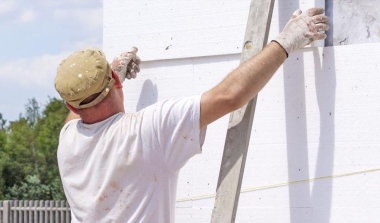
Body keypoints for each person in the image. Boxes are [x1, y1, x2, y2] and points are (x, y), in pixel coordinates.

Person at [55, 8, 329, 223]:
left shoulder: (68, 142)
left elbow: (76, 115)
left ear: (72, 106)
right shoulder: (146, 131)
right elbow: (229, 96)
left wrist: (114, 76)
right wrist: (287, 40)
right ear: (114, 80)